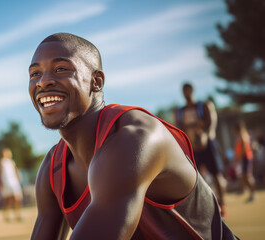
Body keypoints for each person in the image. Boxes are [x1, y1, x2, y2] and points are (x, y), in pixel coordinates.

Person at [29, 33, 237, 239]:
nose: (43, 82)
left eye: (61, 69)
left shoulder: (136, 138)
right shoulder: (53, 168)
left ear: (97, 81)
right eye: (35, 74)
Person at [175, 83, 227, 216]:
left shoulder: (202, 106)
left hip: (207, 145)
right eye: (183, 90)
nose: (186, 92)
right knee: (196, 178)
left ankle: (222, 204)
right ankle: (204, 206)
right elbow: (179, 128)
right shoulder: (180, 111)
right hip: (193, 147)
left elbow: (211, 122)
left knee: (216, 174)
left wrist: (205, 135)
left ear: (192, 90)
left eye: (188, 89)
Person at [0, 148, 23, 222]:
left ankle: (17, 214)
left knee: (17, 198)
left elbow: (16, 171)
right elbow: (0, 173)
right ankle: (6, 215)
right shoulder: (2, 162)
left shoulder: (12, 162)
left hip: (14, 182)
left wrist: (18, 178)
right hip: (6, 183)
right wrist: (1, 183)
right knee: (8, 200)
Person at [233, 120, 255, 202]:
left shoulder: (243, 135)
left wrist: (239, 156)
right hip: (243, 158)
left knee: (247, 176)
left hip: (245, 158)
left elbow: (244, 148)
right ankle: (246, 190)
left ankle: (252, 194)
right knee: (243, 176)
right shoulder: (240, 135)